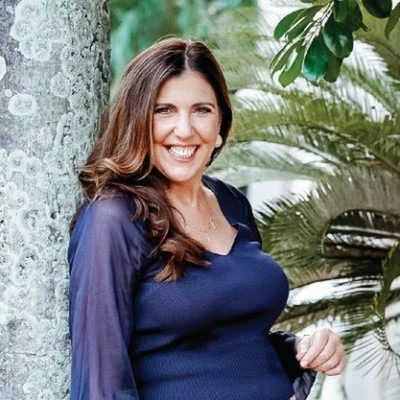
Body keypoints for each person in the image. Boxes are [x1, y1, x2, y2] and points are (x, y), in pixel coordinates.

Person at [68, 38, 345, 400]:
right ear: (136, 121)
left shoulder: (231, 203)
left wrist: (302, 349)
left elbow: (235, 342)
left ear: (220, 123)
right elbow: (101, 386)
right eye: (164, 110)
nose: (185, 130)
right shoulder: (114, 218)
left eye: (201, 110)